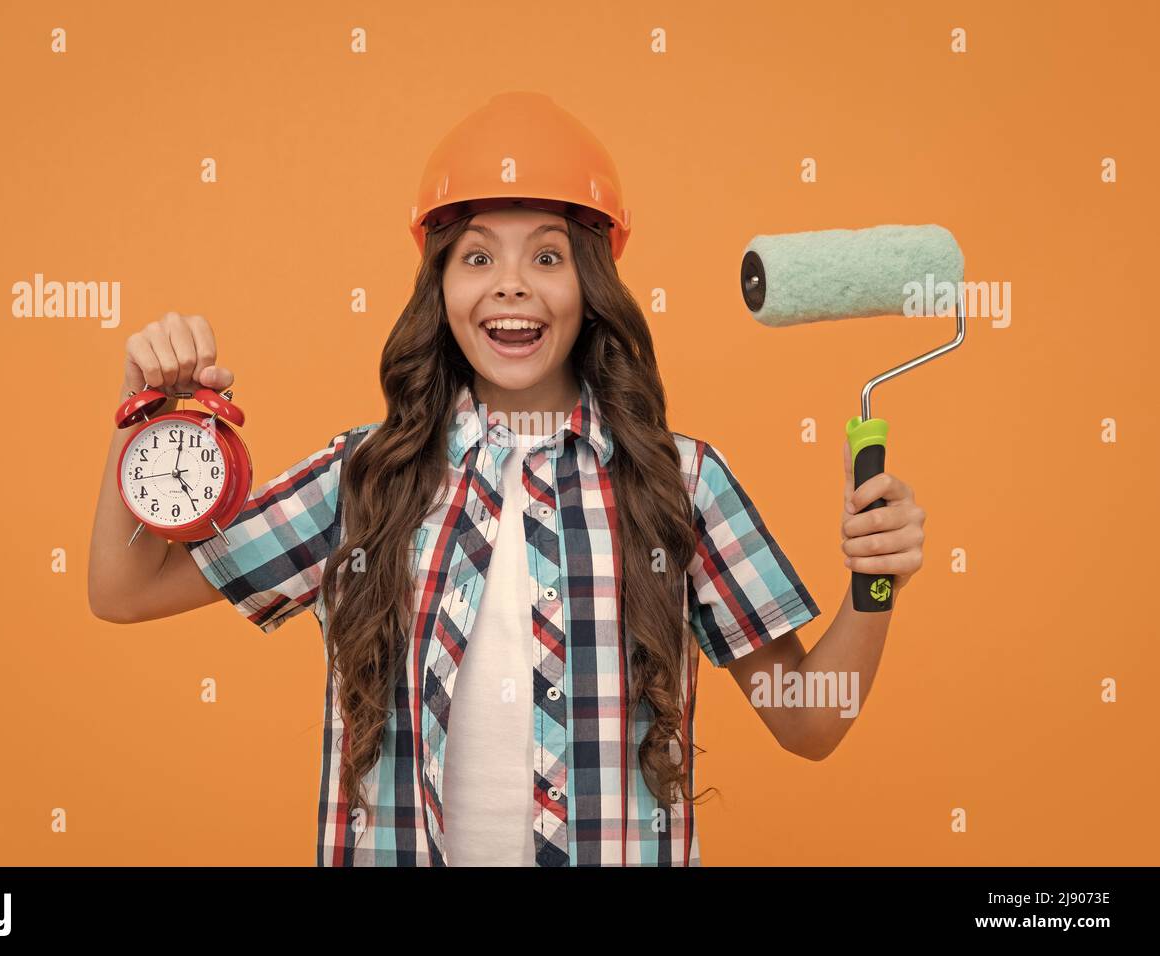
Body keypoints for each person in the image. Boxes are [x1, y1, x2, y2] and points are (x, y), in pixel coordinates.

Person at [87, 91, 927, 866]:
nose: (512, 284)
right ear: (442, 287)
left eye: (549, 256)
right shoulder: (365, 478)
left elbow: (811, 721)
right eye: (478, 256)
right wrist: (148, 424)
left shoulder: (681, 481)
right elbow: (125, 589)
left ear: (591, 287)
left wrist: (874, 583)